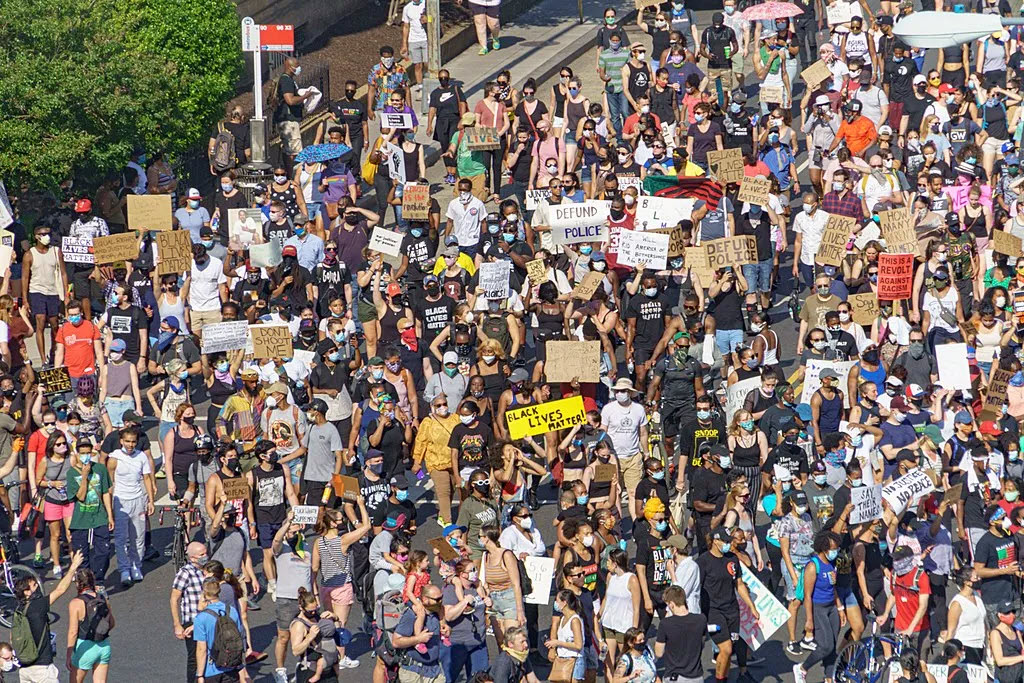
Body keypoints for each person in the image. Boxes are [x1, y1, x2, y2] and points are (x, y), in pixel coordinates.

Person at [13, 550, 84, 683]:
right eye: (34, 586)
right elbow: (60, 590)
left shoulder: (18, 611)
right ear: (27, 592)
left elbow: (13, 638)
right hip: (42, 669)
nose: (38, 587)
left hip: (24, 670)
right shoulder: (37, 606)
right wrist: (73, 567)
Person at [192, 576, 246, 682]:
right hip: (230, 665)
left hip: (211, 669)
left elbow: (201, 649)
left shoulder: (201, 618)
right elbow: (239, 635)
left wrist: (200, 675)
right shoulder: (232, 611)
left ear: (204, 594)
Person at [66, 568, 114, 683]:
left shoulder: (76, 603)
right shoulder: (102, 598)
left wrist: (68, 656)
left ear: (78, 583)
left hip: (85, 648)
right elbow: (112, 623)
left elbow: (73, 632)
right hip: (104, 646)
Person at [655, 584, 707, 683]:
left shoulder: (665, 624)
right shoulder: (701, 619)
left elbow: (659, 653)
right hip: (696, 677)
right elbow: (702, 643)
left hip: (675, 677)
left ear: (671, 604)